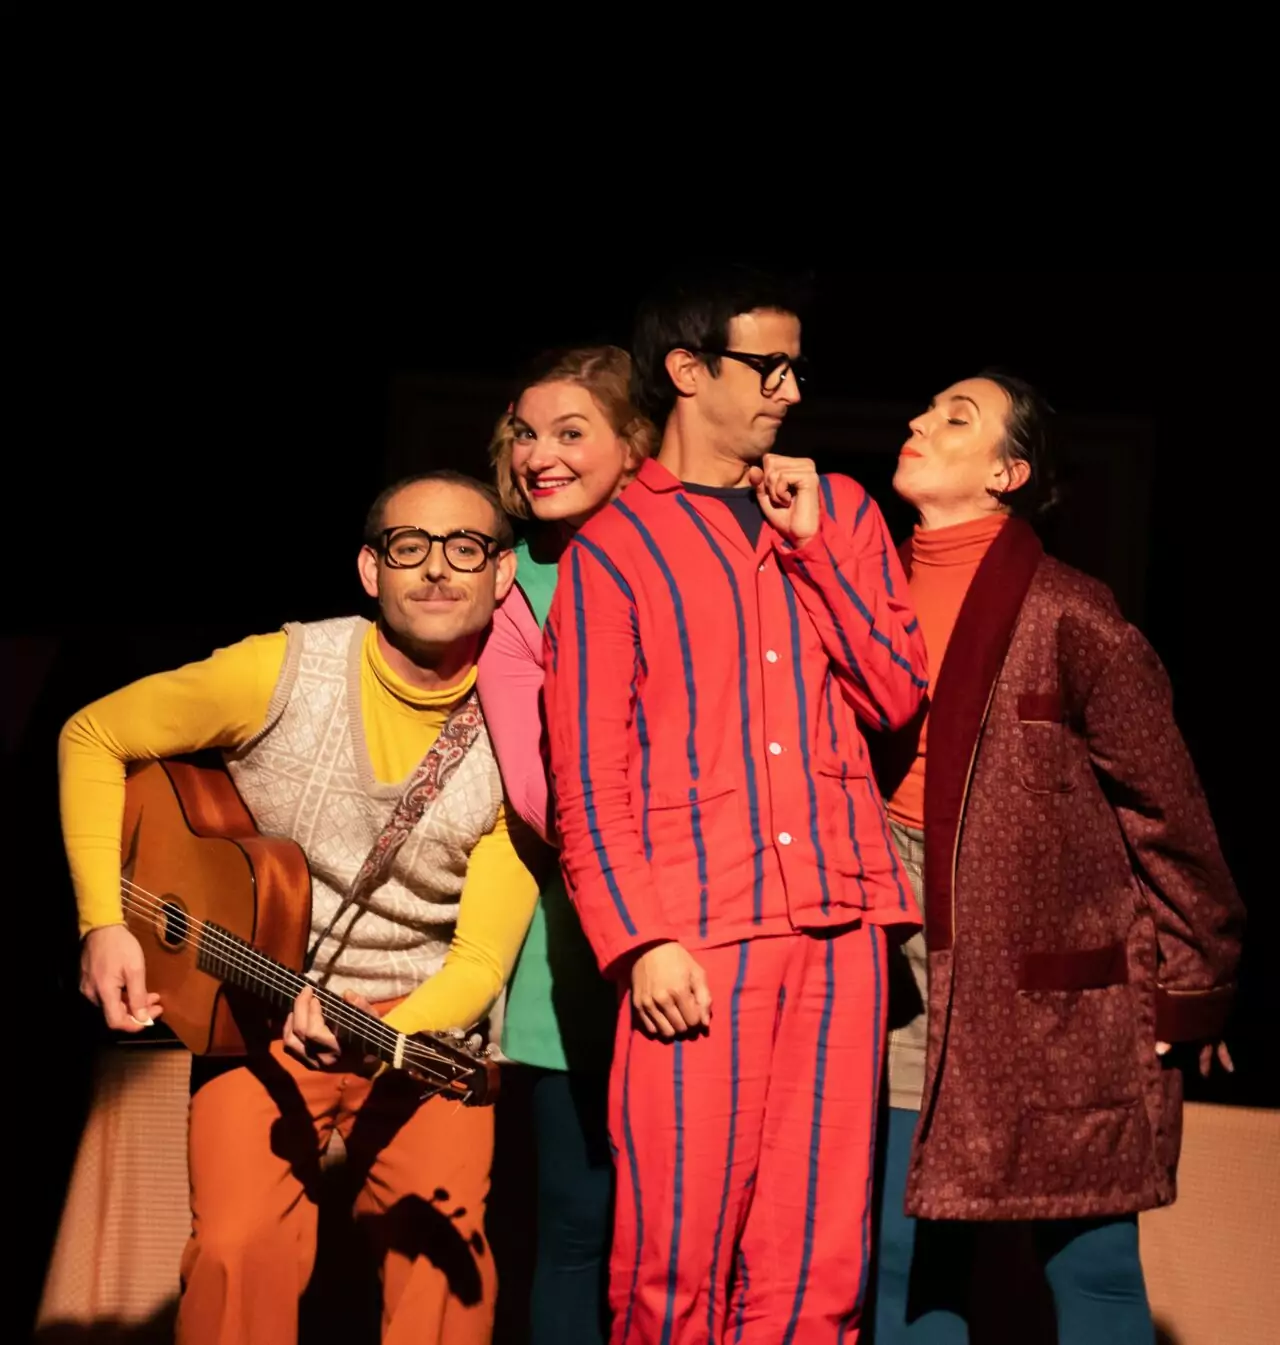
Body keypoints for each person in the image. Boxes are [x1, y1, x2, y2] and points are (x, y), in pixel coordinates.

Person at [59, 469, 541, 1345]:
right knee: (235, 1252)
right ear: (371, 569)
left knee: (446, 1270)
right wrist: (103, 921)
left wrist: (386, 1027)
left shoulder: (523, 736)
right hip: (257, 1011)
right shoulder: (283, 669)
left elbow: (478, 960)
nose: (437, 567)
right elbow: (92, 734)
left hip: (423, 1022)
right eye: (410, 546)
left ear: (502, 573)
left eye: (466, 548)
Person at [541, 265, 929, 1344]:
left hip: (842, 925)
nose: (790, 390)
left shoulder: (835, 511)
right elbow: (587, 777)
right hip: (698, 936)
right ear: (686, 368)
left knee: (819, 1263)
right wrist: (640, 939)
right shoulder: (611, 551)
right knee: (673, 1257)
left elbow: (896, 692)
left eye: (795, 367)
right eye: (767, 367)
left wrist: (811, 547)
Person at [869, 371, 1246, 1344]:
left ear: (1008, 471)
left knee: (1089, 1259)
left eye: (955, 417)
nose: (918, 422)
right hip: (901, 948)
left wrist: (1190, 979)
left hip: (1050, 992)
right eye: (924, 409)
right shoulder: (860, 590)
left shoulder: (1071, 613)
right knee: (906, 1258)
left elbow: (1168, 812)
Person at [477, 344, 656, 1343]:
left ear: (637, 442)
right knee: (578, 1225)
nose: (538, 454)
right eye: (526, 433)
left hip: (721, 930)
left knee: (688, 1232)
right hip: (576, 942)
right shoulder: (516, 587)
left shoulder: (700, 557)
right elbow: (539, 789)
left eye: (570, 432)